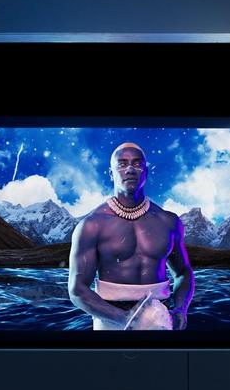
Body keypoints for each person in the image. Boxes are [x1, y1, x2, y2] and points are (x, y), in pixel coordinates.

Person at [67, 141, 194, 330]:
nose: (130, 169)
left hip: (159, 318)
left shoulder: (168, 222)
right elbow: (77, 290)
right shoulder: (91, 225)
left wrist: (181, 309)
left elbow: (183, 273)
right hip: (109, 321)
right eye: (122, 163)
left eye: (136, 163)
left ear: (145, 170)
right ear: (111, 173)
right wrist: (124, 318)